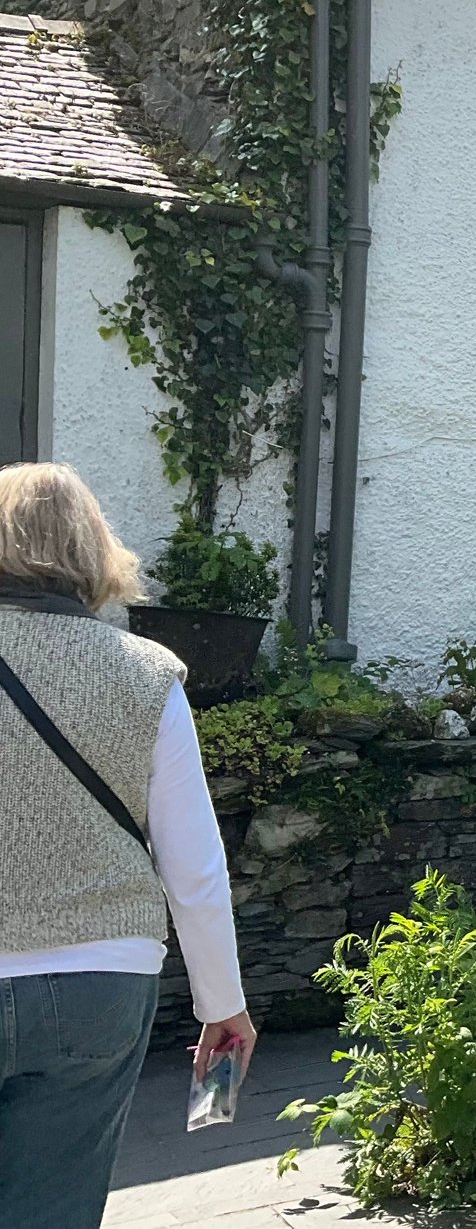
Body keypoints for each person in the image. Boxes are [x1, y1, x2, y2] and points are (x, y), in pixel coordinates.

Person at [0, 463, 255, 1228]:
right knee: (53, 1208)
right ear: (94, 551)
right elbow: (195, 865)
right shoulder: (147, 676)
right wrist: (224, 1006)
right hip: (100, 981)